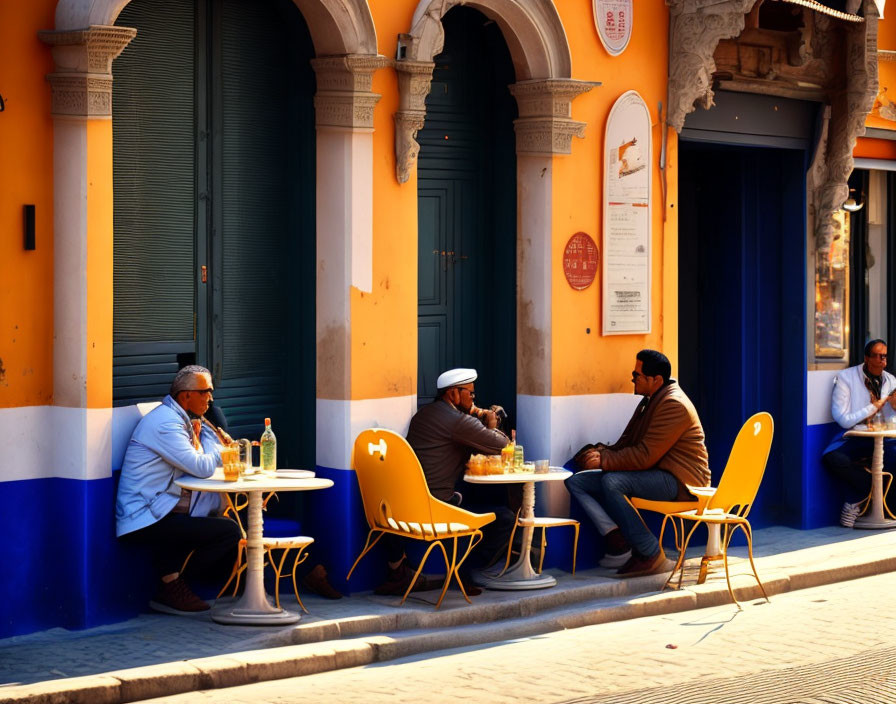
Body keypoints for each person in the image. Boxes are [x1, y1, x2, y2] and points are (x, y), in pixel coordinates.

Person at [565, 349, 710, 577]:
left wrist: (604, 460)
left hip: (681, 481)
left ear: (656, 380)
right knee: (577, 482)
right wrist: (601, 451)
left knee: (613, 482)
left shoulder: (673, 404)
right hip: (658, 473)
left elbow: (644, 455)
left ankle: (651, 553)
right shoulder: (650, 400)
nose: (632, 379)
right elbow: (628, 442)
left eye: (637, 375)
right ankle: (618, 541)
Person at [375, 368, 513, 596]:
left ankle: (454, 570)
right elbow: (502, 446)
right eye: (470, 394)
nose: (473, 399)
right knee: (505, 519)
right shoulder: (458, 422)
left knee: (475, 497)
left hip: (404, 501)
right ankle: (462, 570)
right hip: (436, 505)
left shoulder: (423, 414)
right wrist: (490, 422)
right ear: (453, 394)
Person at [116, 365, 241, 615]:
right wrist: (216, 442)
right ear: (186, 396)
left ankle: (173, 582)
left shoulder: (182, 420)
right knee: (229, 532)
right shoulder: (165, 424)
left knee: (215, 517)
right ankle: (175, 585)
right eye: (206, 392)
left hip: (162, 506)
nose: (210, 399)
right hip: (143, 516)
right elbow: (202, 466)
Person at [822, 339, 896, 527]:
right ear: (866, 358)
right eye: (878, 356)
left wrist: (894, 408)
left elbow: (891, 420)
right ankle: (861, 492)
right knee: (832, 457)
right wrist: (873, 407)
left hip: (883, 438)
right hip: (856, 436)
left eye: (885, 356)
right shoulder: (846, 378)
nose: (883, 361)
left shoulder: (890, 380)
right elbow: (842, 418)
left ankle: (889, 510)